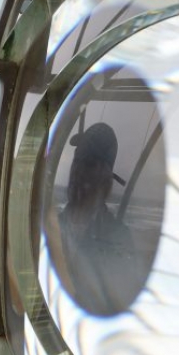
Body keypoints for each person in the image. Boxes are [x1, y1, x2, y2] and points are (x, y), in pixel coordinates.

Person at [56, 121, 141, 316]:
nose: (77, 170)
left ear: (104, 175)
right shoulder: (50, 226)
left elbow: (119, 305)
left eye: (88, 163)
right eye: (76, 160)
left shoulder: (118, 238)